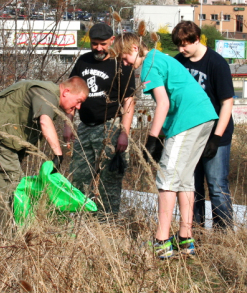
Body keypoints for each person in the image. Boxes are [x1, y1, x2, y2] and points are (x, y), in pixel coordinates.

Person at [112, 33, 218, 259]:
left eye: (123, 58)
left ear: (133, 48)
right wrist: (161, 136)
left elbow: (163, 102)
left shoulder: (148, 64)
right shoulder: (160, 58)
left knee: (167, 179)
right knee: (185, 180)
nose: (123, 63)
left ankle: (162, 242)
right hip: (205, 116)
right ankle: (186, 239)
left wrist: (152, 139)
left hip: (188, 120)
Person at [0, 77, 89, 229]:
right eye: (78, 101)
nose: (79, 107)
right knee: (12, 187)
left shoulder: (49, 94)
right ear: (66, 92)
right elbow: (44, 122)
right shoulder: (47, 93)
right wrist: (58, 155)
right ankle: (9, 237)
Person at [65, 23, 136, 216]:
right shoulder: (83, 61)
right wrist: (68, 124)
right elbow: (70, 92)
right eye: (94, 43)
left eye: (103, 44)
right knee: (78, 177)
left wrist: (124, 133)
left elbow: (129, 100)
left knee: (109, 180)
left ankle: (108, 222)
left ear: (112, 41)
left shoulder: (121, 64)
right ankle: (78, 218)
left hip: (109, 128)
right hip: (85, 127)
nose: (98, 48)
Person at [172, 21, 234, 229]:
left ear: (196, 39)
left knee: (217, 186)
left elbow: (227, 103)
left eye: (185, 45)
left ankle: (223, 234)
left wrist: (216, 138)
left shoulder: (217, 64)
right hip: (189, 134)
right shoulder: (178, 62)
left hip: (216, 133)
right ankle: (194, 233)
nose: (181, 50)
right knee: (192, 186)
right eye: (178, 46)